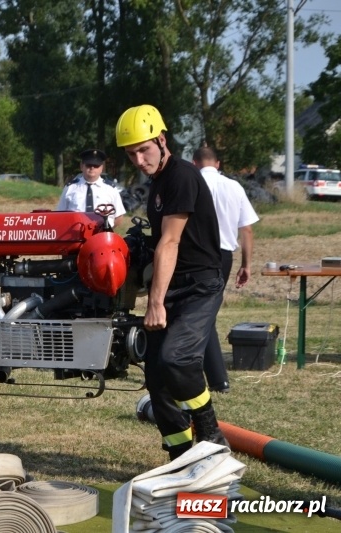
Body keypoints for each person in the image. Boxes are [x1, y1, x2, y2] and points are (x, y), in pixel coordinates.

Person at [116, 104, 228, 461]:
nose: (138, 159)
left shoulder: (180, 175)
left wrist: (154, 301)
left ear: (162, 140)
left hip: (199, 284)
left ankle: (210, 432)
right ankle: (180, 458)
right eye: (130, 153)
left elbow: (171, 241)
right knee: (158, 377)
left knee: (177, 358)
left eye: (143, 149)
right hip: (176, 282)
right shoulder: (159, 179)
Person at [193, 146, 260, 394]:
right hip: (224, 255)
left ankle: (217, 378)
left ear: (194, 162)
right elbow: (247, 229)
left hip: (197, 253)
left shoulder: (193, 183)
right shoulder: (234, 187)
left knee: (201, 314)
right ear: (217, 164)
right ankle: (213, 376)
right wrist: (246, 264)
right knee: (205, 312)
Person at [57, 148, 126, 227]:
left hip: (101, 235)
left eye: (96, 165)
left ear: (101, 168)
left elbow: (119, 217)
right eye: (89, 165)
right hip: (75, 235)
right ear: (81, 166)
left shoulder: (111, 189)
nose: (92, 168)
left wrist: (107, 231)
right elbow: (60, 215)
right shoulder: (70, 188)